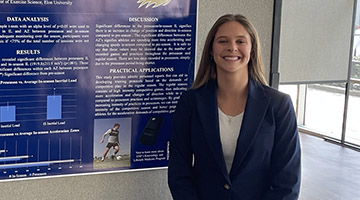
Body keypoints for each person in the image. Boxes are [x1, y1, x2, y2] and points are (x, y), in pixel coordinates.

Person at [168, 14, 301, 200]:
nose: (232, 47)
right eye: (223, 41)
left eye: (241, 41)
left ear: (252, 49)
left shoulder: (279, 105)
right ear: (211, 50)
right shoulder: (190, 102)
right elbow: (179, 170)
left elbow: (288, 180)